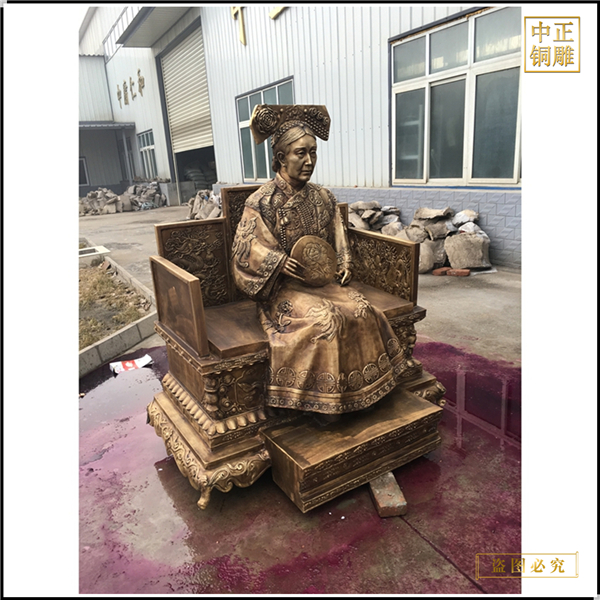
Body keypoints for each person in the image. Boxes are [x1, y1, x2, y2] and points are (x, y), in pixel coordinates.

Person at [232, 105, 403, 416]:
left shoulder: (323, 197)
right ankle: (321, 404)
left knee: (363, 310)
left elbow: (339, 235)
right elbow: (246, 247)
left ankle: (364, 391)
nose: (309, 161)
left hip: (324, 282)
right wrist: (276, 261)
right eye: (301, 153)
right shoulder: (261, 201)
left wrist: (345, 263)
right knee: (327, 320)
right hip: (282, 289)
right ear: (281, 157)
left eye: (313, 152)